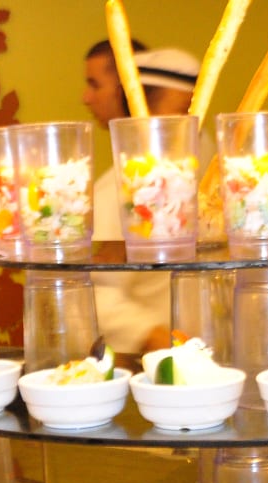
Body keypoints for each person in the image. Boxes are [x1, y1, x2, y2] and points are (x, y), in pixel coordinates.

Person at [83, 45, 202, 357]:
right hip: (153, 362)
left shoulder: (216, 166)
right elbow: (99, 293)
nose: (189, 125)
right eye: (180, 114)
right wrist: (155, 337)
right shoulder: (120, 189)